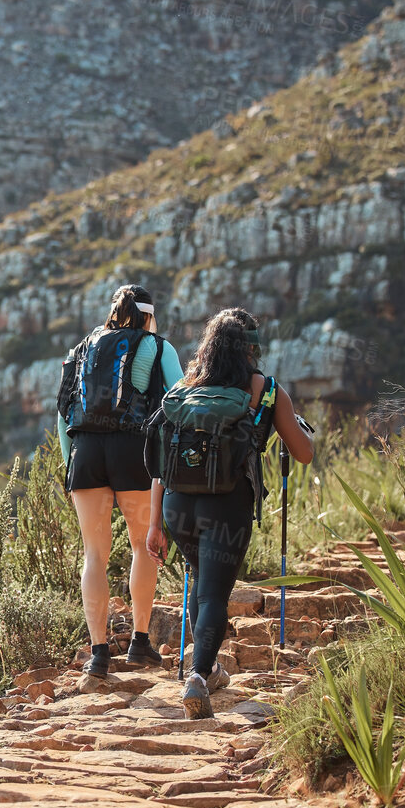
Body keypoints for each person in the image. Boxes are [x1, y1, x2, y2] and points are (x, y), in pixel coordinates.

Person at [146, 308, 314, 718]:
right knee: (215, 593)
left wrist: (154, 524)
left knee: (202, 581)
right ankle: (198, 678)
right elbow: (304, 454)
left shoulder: (185, 387)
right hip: (228, 503)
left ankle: (210, 668)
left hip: (177, 504)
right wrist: (296, 426)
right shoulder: (267, 390)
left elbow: (159, 462)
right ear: (249, 350)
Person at [56, 284, 186, 679]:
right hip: (133, 453)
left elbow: (63, 413)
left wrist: (71, 466)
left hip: (86, 456)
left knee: (93, 555)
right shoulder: (157, 346)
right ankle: (139, 643)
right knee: (143, 546)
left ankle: (98, 655)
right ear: (148, 315)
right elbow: (181, 398)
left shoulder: (80, 349)